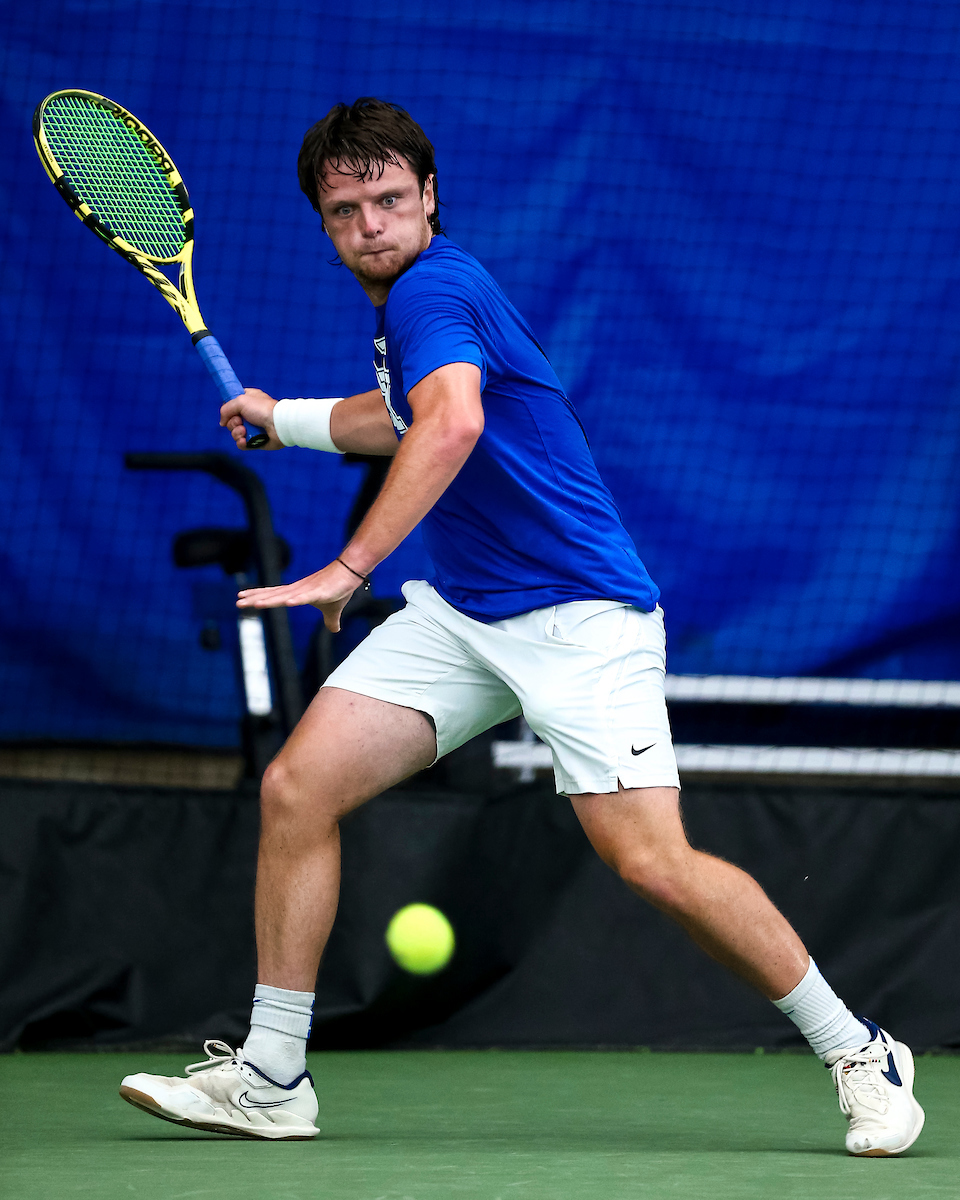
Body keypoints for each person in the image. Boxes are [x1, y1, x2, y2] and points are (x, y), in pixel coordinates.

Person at [119, 98, 924, 1155]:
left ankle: (861, 1049)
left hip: (581, 617)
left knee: (652, 863)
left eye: (389, 199)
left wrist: (350, 566)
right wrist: (286, 420)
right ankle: (271, 1078)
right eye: (346, 210)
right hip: (466, 613)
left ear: (430, 196)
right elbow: (403, 415)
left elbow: (451, 422)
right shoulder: (412, 309)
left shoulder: (433, 288)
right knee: (298, 789)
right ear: (323, 223)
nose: (371, 224)